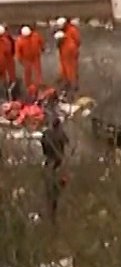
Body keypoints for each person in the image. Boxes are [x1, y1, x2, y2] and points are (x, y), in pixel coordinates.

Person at [40, 94, 68, 223]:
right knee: (58, 182)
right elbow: (67, 141)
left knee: (49, 181)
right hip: (58, 159)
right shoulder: (60, 134)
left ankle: (50, 198)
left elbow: (43, 143)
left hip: (49, 158)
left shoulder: (47, 134)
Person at [55, 19, 79, 92]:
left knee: (70, 69)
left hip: (68, 54)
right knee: (66, 68)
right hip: (67, 54)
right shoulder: (67, 35)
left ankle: (72, 83)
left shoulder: (70, 32)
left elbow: (77, 40)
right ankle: (66, 80)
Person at [0, 25, 14, 101]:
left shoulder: (6, 42)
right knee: (4, 81)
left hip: (3, 64)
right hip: (3, 64)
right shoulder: (6, 42)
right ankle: (5, 97)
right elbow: (9, 53)